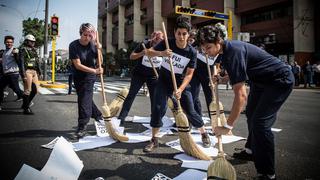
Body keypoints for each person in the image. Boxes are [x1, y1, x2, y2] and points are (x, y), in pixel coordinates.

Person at [197, 25, 294, 180]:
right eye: (203, 49)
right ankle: (252, 151)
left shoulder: (234, 51)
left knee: (260, 124)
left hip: (278, 80)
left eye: (208, 47)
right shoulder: (224, 52)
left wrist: (227, 126)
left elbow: (241, 96)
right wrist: (223, 78)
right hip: (260, 81)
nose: (206, 52)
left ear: (218, 41)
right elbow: (240, 70)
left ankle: (268, 174)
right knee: (251, 114)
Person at [143, 16, 211, 152]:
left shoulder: (192, 52)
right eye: (178, 33)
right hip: (163, 80)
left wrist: (180, 89)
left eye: (184, 34)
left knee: (190, 110)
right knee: (158, 108)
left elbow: (190, 73)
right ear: (175, 33)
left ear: (188, 34)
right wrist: (162, 53)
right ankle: (154, 140)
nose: (181, 37)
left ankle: (204, 133)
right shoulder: (167, 43)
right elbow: (148, 52)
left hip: (180, 82)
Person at [117, 31, 164, 125]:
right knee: (131, 94)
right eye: (155, 40)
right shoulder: (143, 45)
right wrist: (142, 53)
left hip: (153, 76)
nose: (156, 42)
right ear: (152, 38)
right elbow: (131, 56)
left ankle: (154, 118)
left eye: (159, 40)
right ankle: (121, 118)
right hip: (139, 74)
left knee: (154, 98)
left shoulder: (164, 46)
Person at [69, 23, 104, 139]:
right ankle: (98, 116)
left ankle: (82, 127)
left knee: (83, 100)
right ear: (80, 33)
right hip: (78, 76)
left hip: (89, 77)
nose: (87, 37)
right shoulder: (73, 45)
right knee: (85, 98)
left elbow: (100, 62)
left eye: (90, 35)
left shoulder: (93, 45)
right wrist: (95, 71)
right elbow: (77, 65)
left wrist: (99, 50)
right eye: (85, 35)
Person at [0, 35, 24, 110]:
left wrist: (16, 54)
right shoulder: (3, 52)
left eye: (11, 42)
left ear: (13, 43)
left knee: (16, 89)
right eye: (7, 42)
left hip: (13, 74)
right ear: (4, 42)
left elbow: (20, 61)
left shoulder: (15, 51)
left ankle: (27, 100)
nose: (9, 43)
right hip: (5, 74)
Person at [19, 34, 42, 115]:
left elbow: (37, 61)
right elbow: (21, 63)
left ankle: (25, 104)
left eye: (33, 42)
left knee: (35, 90)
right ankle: (26, 109)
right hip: (27, 71)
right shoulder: (23, 49)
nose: (32, 43)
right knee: (28, 90)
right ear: (26, 41)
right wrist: (23, 75)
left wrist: (40, 72)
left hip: (34, 71)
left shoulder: (34, 50)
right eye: (31, 41)